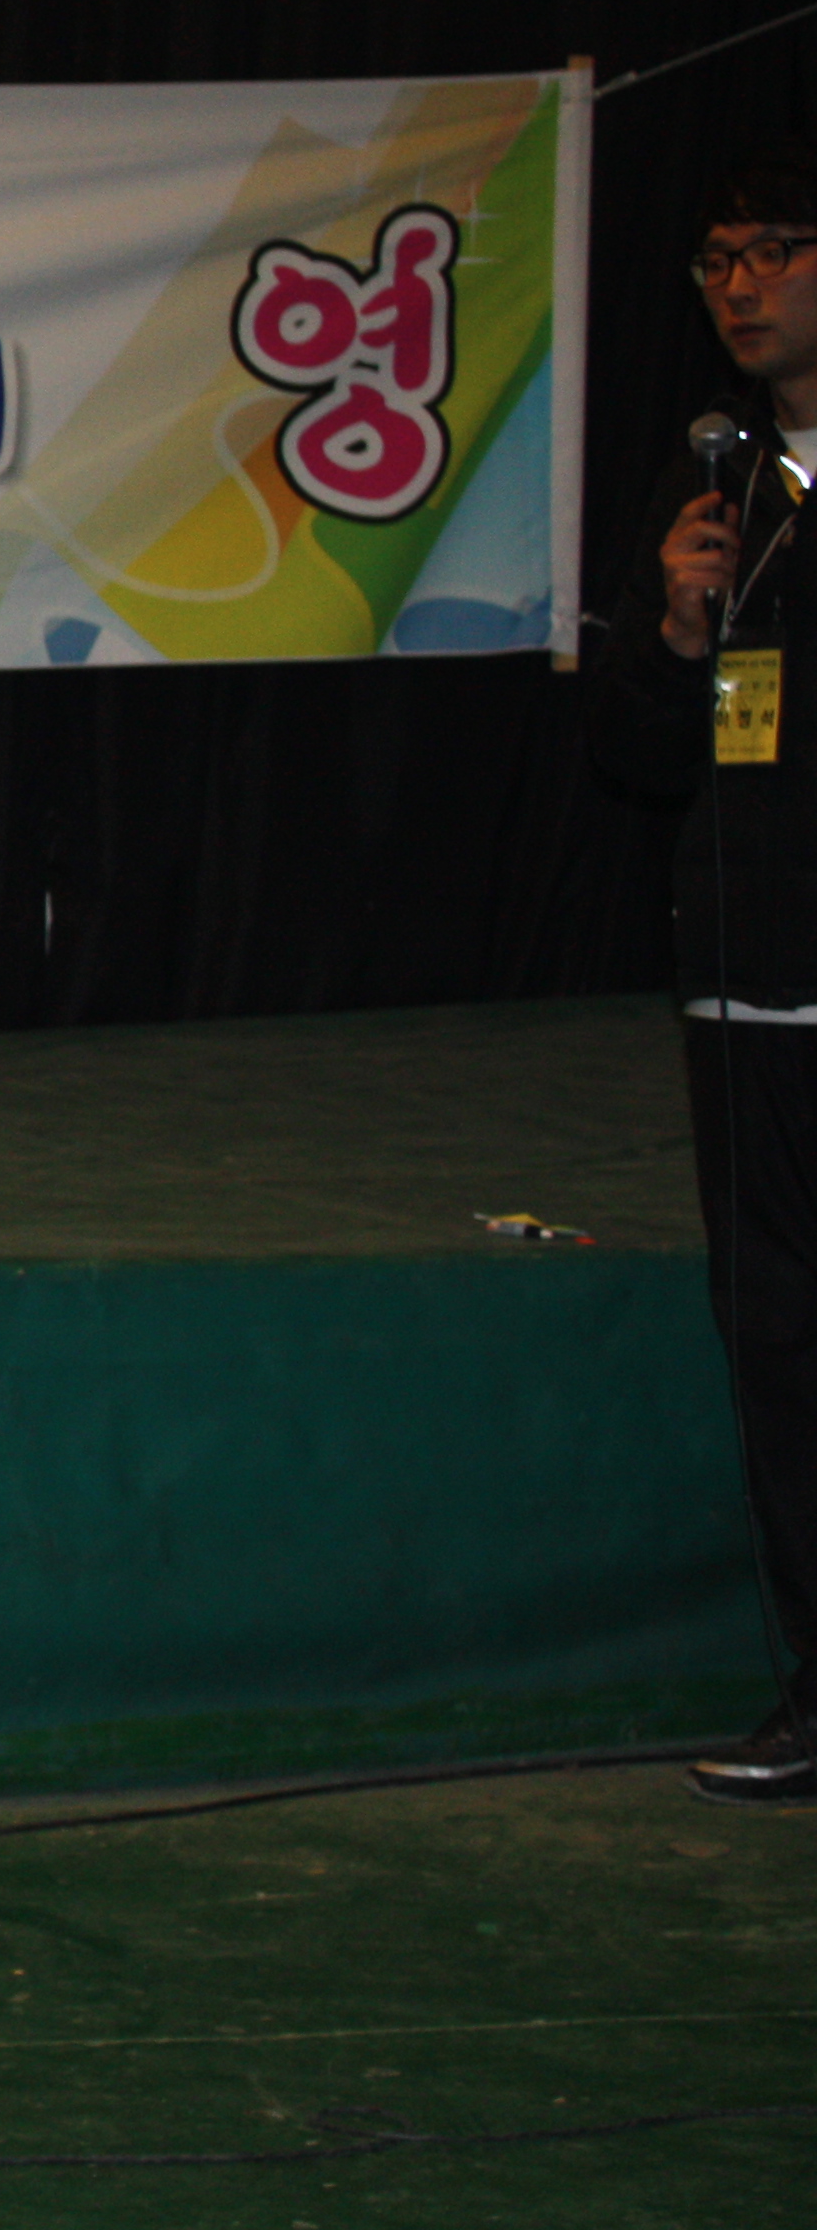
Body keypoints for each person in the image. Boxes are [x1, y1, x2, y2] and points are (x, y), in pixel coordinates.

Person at [585, 136, 817, 1807]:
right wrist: (676, 632)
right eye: (717, 258)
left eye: (774, 251)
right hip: (745, 991)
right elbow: (645, 759)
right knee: (783, 1349)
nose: (739, 286)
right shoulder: (721, 490)